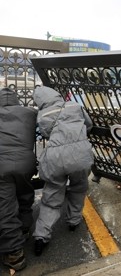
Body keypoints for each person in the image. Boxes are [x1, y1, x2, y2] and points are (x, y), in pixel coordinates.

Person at [32, 86, 94, 256]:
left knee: (51, 196)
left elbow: (45, 134)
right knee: (78, 188)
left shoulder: (42, 115)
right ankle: (73, 221)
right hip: (80, 156)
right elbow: (88, 125)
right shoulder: (74, 105)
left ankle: (41, 237)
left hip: (55, 158)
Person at [0, 87, 38, 271]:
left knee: (5, 207)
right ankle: (24, 227)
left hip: (2, 165)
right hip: (26, 163)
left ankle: (14, 254)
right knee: (24, 193)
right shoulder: (29, 112)